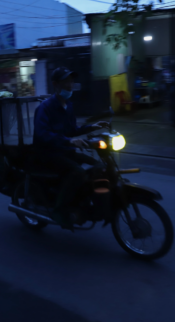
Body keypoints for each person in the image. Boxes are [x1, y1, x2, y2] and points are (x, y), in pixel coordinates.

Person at [33, 67, 109, 229]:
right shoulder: (45, 107)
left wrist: (91, 127)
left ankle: (83, 200)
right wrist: (69, 141)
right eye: (66, 81)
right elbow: (42, 134)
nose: (70, 85)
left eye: (71, 81)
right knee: (78, 172)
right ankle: (59, 210)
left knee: (99, 166)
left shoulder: (68, 106)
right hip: (48, 154)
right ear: (55, 84)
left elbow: (73, 130)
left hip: (64, 151)